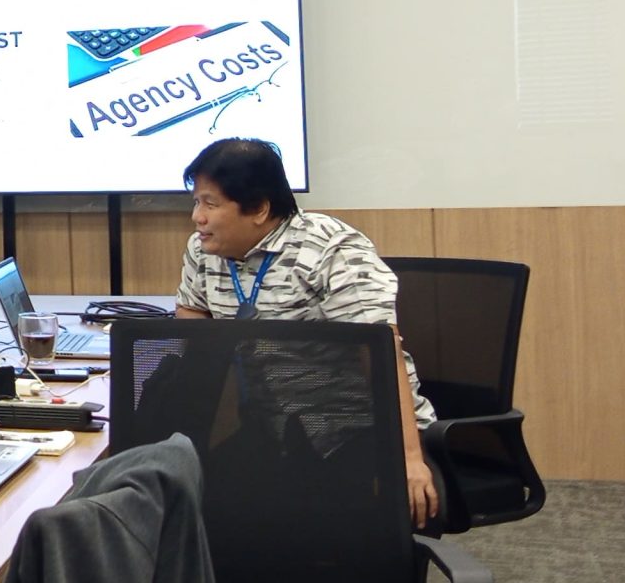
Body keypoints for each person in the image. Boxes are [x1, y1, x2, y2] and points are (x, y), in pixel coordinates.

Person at [172, 137, 440, 527]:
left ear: (259, 208)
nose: (197, 217)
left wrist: (409, 458)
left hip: (358, 430)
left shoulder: (329, 249)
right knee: (189, 499)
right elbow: (191, 315)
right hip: (273, 429)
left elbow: (382, 352)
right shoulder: (204, 251)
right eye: (196, 202)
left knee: (308, 530)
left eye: (210, 204)